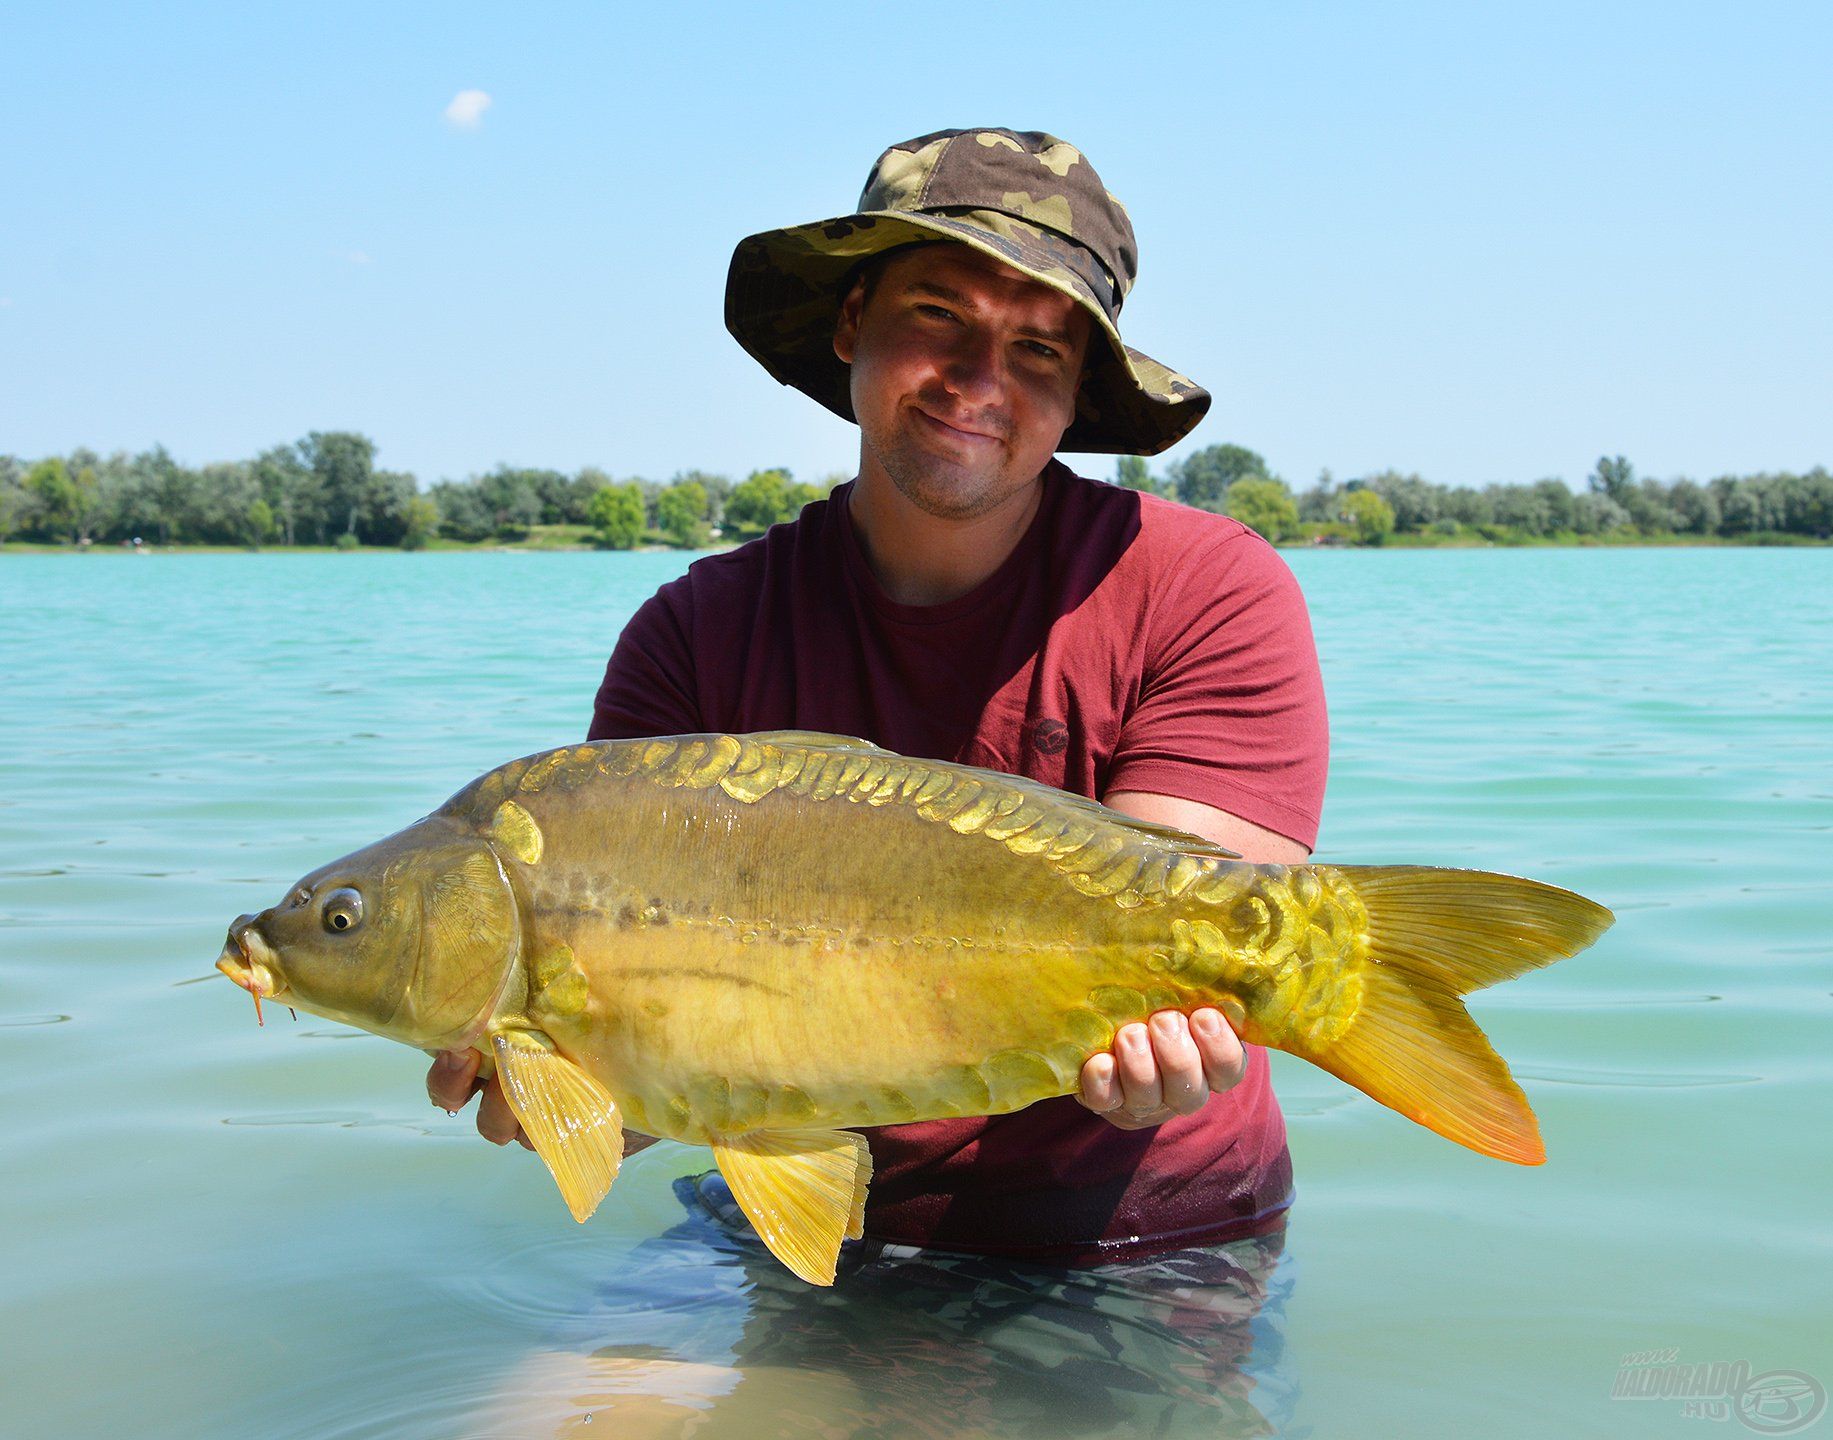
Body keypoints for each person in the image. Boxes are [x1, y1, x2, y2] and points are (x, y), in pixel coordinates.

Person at [428, 127, 1328, 1268]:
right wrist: (571, 1084)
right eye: (939, 317)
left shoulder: (1206, 586)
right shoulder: (695, 636)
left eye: (1041, 351)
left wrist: (1174, 1042)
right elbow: (666, 1072)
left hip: (1146, 1238)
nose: (981, 383)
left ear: (1080, 394)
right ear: (853, 320)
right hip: (813, 1229)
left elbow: (1184, 926)